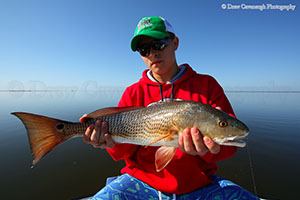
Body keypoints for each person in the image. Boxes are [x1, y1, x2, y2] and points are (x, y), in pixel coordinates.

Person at [82, 16, 258, 200]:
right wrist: (108, 142)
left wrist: (208, 150)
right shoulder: (132, 93)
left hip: (199, 185)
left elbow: (229, 145)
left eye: (158, 44)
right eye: (144, 49)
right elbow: (123, 152)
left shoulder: (207, 85)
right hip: (140, 181)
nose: (152, 54)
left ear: (175, 43)